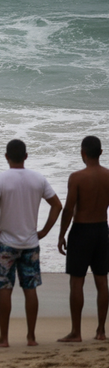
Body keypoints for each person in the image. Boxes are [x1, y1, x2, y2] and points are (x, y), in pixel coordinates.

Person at [0, 139, 62, 347]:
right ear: (26, 156)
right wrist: (44, 230)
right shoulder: (38, 179)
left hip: (5, 243)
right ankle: (31, 337)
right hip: (30, 243)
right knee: (30, 288)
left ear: (6, 156)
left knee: (5, 289)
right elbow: (57, 205)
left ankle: (4, 338)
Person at [56, 136, 109, 343]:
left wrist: (61, 235)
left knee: (77, 281)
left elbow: (69, 209)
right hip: (102, 230)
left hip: (81, 231)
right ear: (101, 153)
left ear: (82, 153)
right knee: (102, 280)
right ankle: (101, 331)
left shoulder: (77, 177)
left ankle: (76, 332)